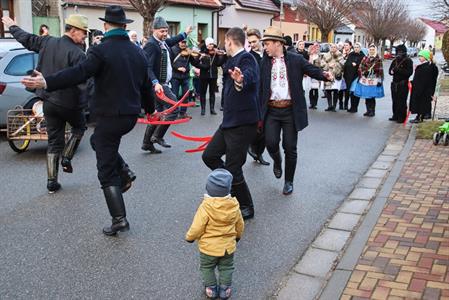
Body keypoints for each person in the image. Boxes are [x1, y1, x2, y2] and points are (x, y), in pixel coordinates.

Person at [21, 5, 155, 236]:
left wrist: (47, 83)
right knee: (98, 143)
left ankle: (119, 219)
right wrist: (151, 111)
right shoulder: (137, 52)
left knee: (104, 170)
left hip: (109, 117)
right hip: (130, 117)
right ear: (124, 26)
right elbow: (146, 87)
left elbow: (79, 73)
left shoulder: (100, 50)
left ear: (105, 25)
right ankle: (124, 172)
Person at [3, 14, 88, 193]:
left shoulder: (47, 41)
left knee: (54, 142)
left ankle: (51, 182)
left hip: (48, 101)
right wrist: (86, 105)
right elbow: (84, 83)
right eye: (83, 33)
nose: (85, 37)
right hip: (69, 104)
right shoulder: (78, 54)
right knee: (79, 127)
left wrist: (11, 26)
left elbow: (26, 39)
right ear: (73, 30)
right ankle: (67, 157)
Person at [259, 27, 332, 195]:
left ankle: (288, 181)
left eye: (267, 44)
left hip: (290, 111)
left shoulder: (295, 59)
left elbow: (311, 70)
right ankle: (277, 162)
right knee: (270, 143)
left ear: (278, 43)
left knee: (290, 147)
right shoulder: (264, 62)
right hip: (271, 110)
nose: (265, 47)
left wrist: (324, 75)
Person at [202, 27, 259, 220]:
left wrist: (240, 80)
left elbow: (250, 77)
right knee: (210, 156)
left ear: (229, 41)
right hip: (229, 122)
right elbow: (218, 63)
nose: (222, 46)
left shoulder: (246, 58)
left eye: (224, 43)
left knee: (234, 167)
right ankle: (230, 185)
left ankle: (246, 206)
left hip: (243, 123)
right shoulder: (230, 59)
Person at [185, 168, 244, 300]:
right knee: (227, 267)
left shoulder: (206, 207)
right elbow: (240, 224)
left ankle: (211, 288)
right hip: (227, 248)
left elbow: (197, 226)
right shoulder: (234, 205)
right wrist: (238, 236)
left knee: (206, 267)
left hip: (208, 249)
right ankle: (225, 289)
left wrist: (190, 237)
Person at [141, 16, 193, 153]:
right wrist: (155, 82)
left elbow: (172, 40)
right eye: (161, 31)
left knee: (157, 114)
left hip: (163, 84)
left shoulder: (162, 42)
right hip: (159, 86)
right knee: (174, 108)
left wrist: (185, 33)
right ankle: (157, 136)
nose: (164, 34)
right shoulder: (152, 45)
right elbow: (147, 67)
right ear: (154, 30)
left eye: (166, 31)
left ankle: (147, 143)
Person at [246, 28, 269, 166]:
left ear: (260, 39)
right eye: (250, 42)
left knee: (266, 128)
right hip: (256, 96)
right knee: (259, 126)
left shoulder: (267, 54)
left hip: (268, 95)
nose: (252, 44)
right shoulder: (250, 57)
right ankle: (252, 146)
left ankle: (258, 152)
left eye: (254, 41)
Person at [197, 37, 226, 115]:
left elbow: (219, 64)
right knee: (203, 92)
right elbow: (196, 63)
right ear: (206, 44)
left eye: (212, 44)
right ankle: (203, 109)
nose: (211, 45)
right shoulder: (202, 52)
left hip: (213, 75)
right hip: (204, 75)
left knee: (212, 92)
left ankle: (212, 109)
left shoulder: (215, 52)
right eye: (210, 44)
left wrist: (223, 56)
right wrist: (203, 65)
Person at [354, 44, 384, 117]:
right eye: (370, 49)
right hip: (366, 79)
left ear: (375, 50)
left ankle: (372, 111)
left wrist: (379, 80)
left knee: (372, 96)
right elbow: (360, 67)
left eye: (373, 50)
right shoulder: (365, 58)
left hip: (374, 79)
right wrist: (364, 72)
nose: (371, 51)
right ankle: (368, 110)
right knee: (367, 96)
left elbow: (380, 70)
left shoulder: (378, 59)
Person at [409, 50, 438, 123]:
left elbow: (423, 80)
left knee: (421, 104)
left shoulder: (426, 67)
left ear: (425, 57)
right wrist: (412, 82)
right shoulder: (425, 66)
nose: (419, 58)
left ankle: (419, 117)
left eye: (421, 56)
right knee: (421, 104)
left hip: (422, 89)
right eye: (419, 56)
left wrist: (417, 88)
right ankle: (419, 116)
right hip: (421, 88)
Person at [171, 40, 197, 119]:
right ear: (178, 42)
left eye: (185, 43)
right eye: (182, 42)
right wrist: (177, 68)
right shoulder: (173, 50)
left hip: (185, 76)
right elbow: (170, 63)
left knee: (185, 95)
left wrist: (194, 55)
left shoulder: (188, 51)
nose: (183, 44)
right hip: (175, 76)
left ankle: (183, 112)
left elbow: (194, 63)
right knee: (174, 95)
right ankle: (173, 113)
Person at [388, 44, 413, 123]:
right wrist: (391, 71)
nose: (398, 53)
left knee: (401, 101)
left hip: (403, 84)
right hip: (394, 83)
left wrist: (398, 70)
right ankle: (395, 115)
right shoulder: (395, 60)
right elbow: (390, 71)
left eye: (400, 52)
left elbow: (409, 73)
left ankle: (401, 117)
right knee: (394, 100)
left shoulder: (408, 61)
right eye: (397, 51)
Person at [321, 43, 343, 112]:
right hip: (328, 74)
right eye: (332, 47)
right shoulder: (326, 55)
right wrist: (328, 65)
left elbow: (342, 64)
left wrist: (336, 65)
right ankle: (329, 105)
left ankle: (334, 106)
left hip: (336, 74)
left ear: (336, 48)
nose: (333, 48)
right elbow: (322, 63)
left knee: (335, 90)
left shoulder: (339, 55)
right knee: (328, 91)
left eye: (334, 47)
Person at [345, 42, 365, 113]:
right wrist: (351, 64)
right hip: (350, 76)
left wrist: (356, 64)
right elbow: (347, 64)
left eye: (358, 47)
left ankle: (355, 107)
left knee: (356, 92)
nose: (356, 48)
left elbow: (363, 66)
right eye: (355, 47)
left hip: (357, 76)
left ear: (360, 48)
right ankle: (352, 107)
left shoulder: (362, 56)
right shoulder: (351, 54)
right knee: (351, 92)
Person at [307, 43, 322, 109]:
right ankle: (311, 103)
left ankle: (315, 103)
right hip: (310, 74)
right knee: (311, 89)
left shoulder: (320, 56)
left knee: (316, 89)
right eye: (314, 47)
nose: (316, 49)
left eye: (317, 47)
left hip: (317, 73)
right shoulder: (310, 55)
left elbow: (321, 65)